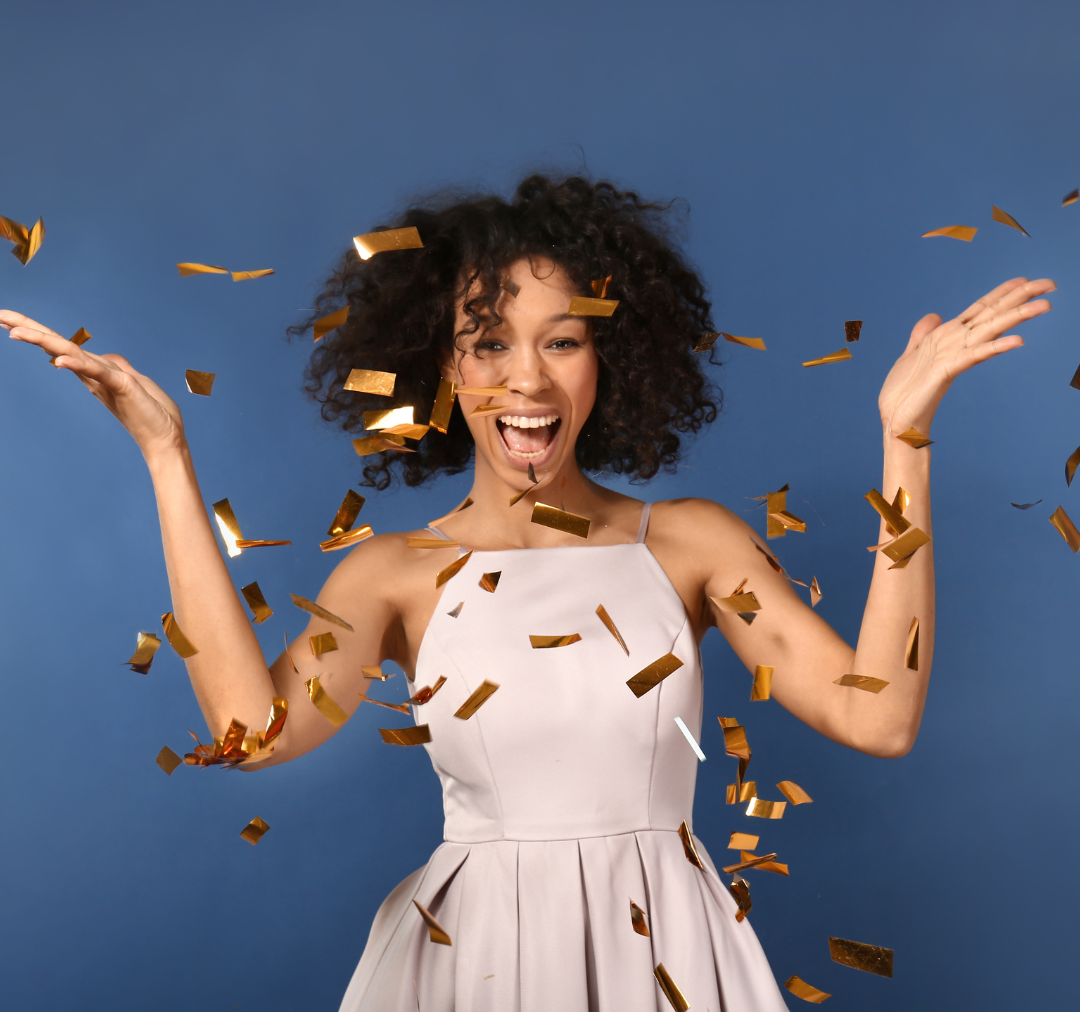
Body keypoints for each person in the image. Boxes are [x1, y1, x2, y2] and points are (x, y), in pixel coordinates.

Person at [0, 174, 1053, 1011]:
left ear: (611, 358)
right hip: (472, 969)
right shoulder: (393, 572)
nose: (528, 381)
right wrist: (166, 455)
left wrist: (904, 438)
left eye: (563, 340)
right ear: (439, 367)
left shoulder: (688, 542)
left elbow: (879, 715)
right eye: (488, 343)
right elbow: (247, 728)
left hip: (671, 963)